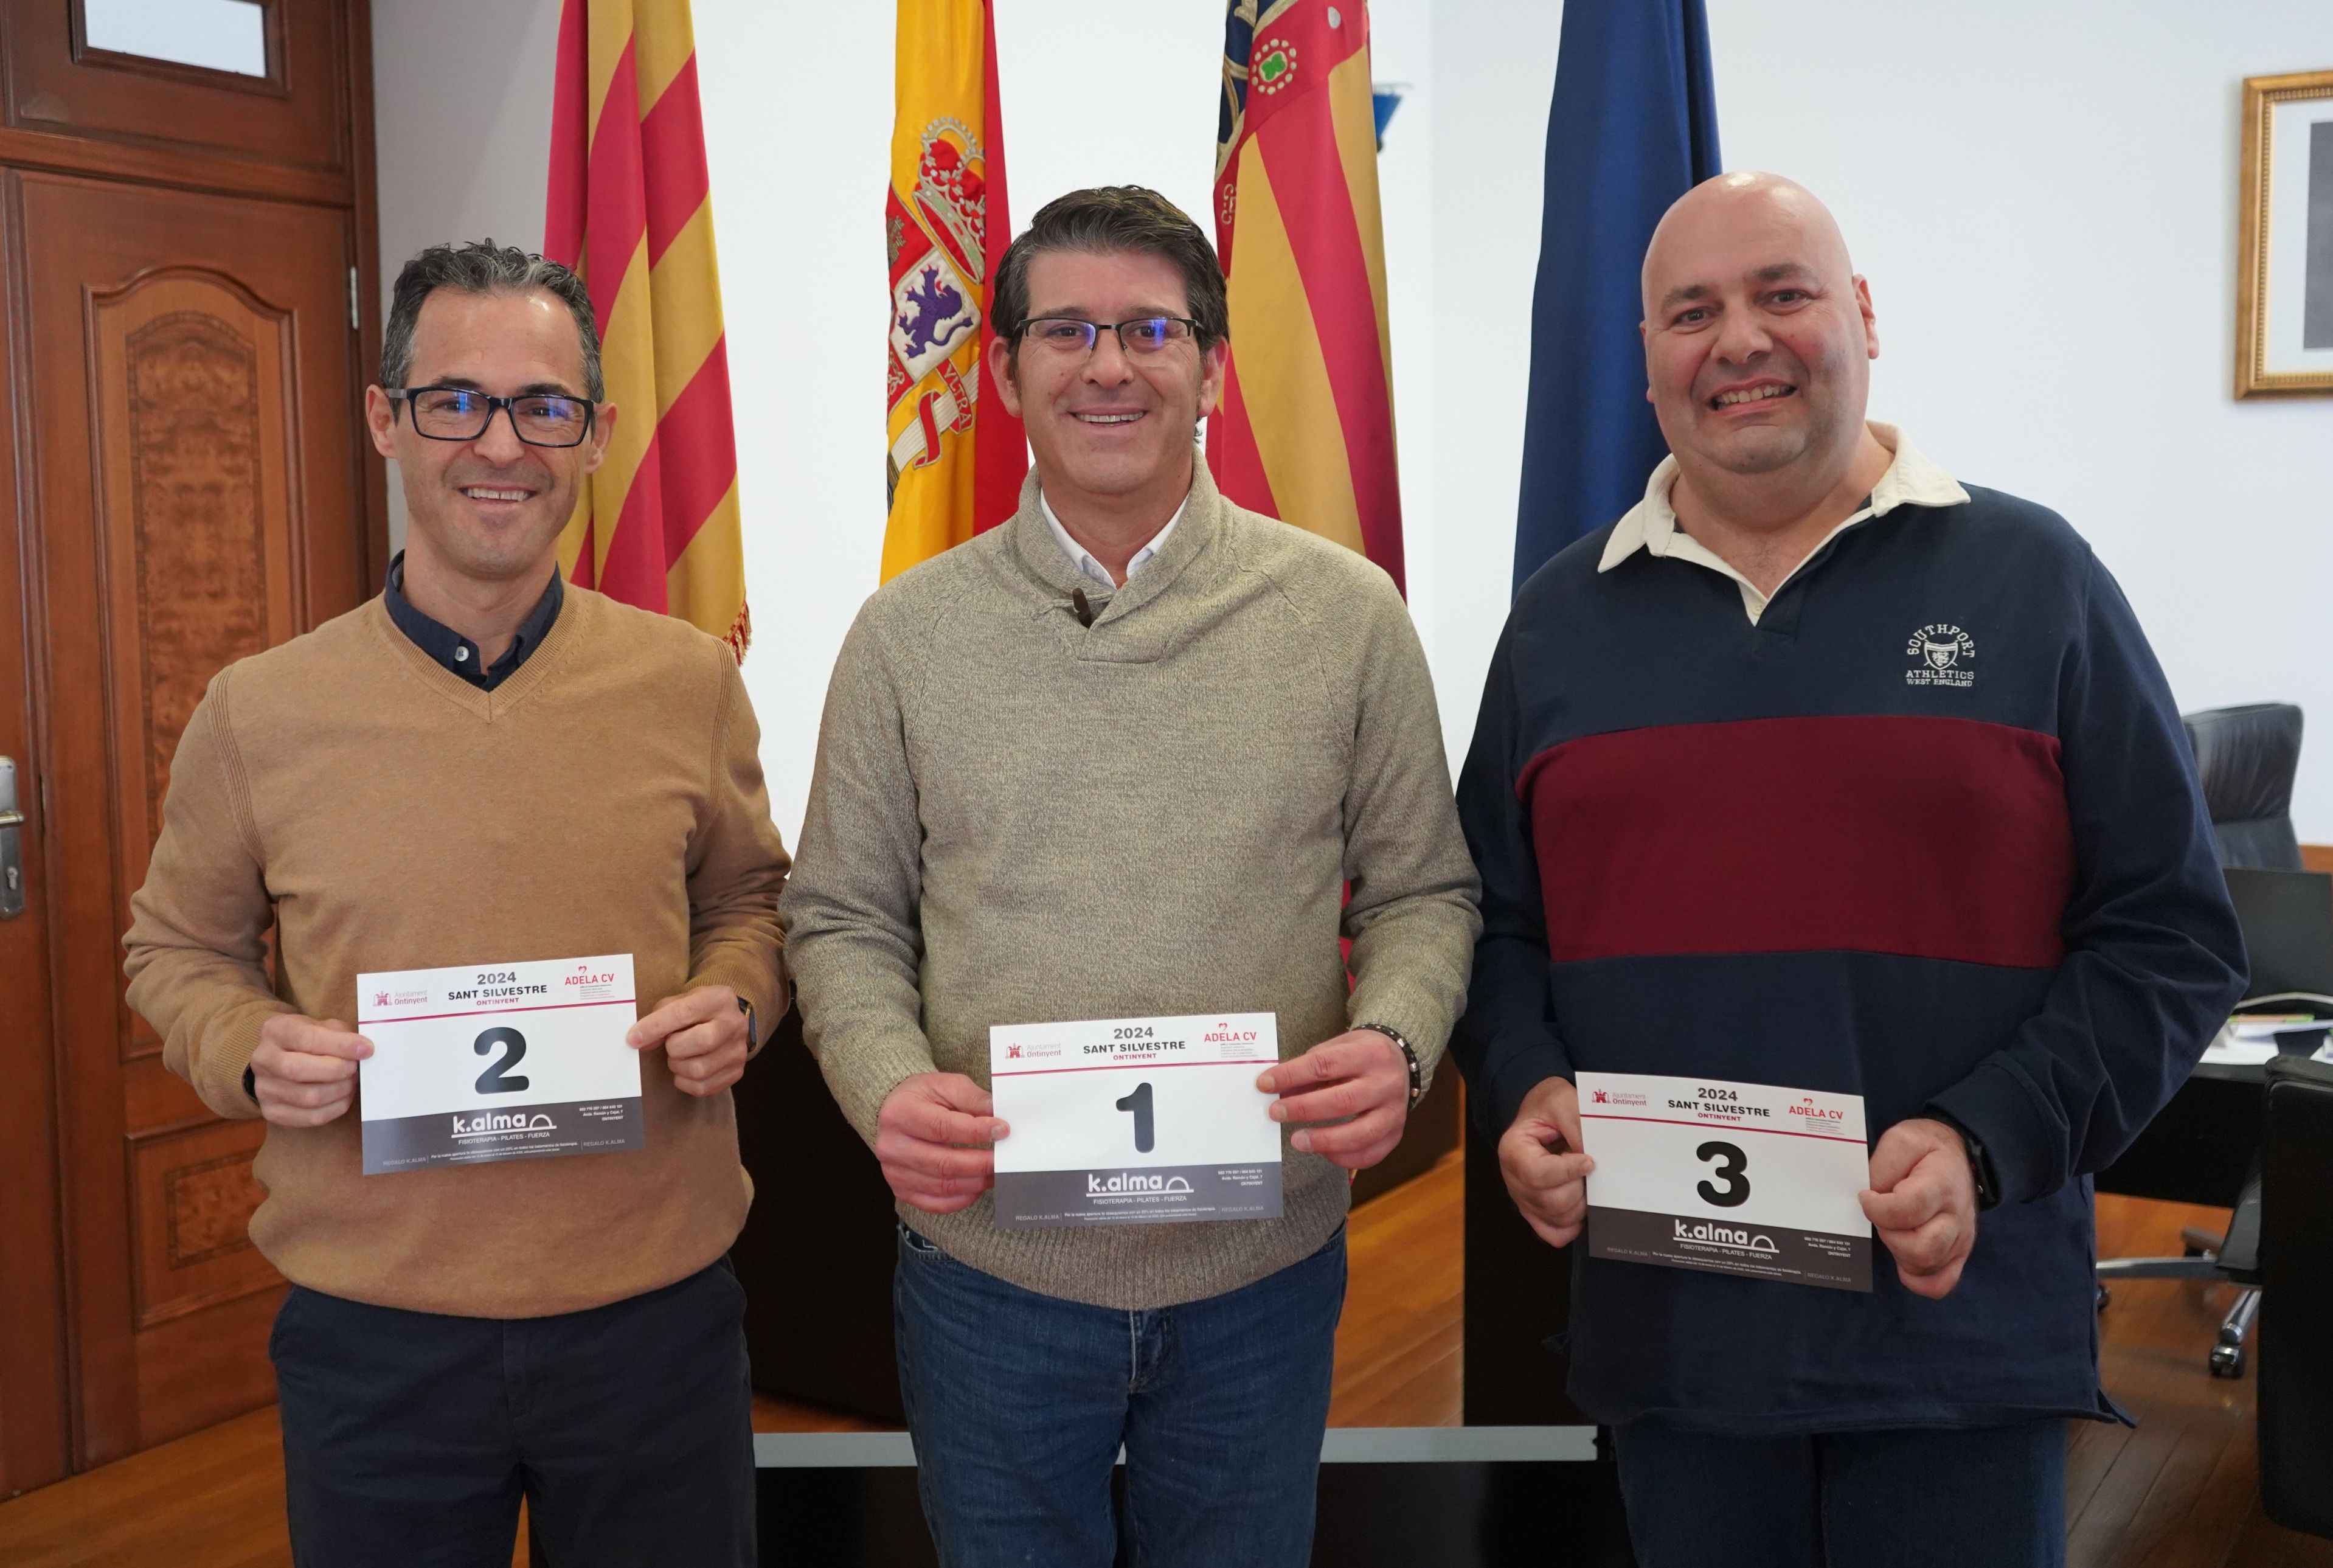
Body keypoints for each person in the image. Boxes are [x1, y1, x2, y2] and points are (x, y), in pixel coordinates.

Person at [1449, 172, 2246, 1567]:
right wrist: (1524, 1082)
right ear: (1646, 357)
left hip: (1955, 1331)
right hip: (1676, 1332)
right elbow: (1492, 924)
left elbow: (2170, 936)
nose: (1738, 340)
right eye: (1691, 312)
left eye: (1782, 293)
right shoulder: (1561, 620)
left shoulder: (2035, 577)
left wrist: (1983, 1140)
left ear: (1862, 315)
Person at [780, 185, 1479, 1568]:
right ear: (1005, 371)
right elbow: (841, 916)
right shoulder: (905, 636)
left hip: (1260, 1272)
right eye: (1068, 331)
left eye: (1151, 329)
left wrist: (1398, 1040)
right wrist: (883, 1081)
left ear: (1211, 367)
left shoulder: (1346, 615)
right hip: (992, 1275)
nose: (1108, 365)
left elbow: (1424, 894)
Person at [122, 241, 790, 1568]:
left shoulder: (687, 683)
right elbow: (175, 948)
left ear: (595, 433)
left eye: (542, 406)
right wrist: (246, 1043)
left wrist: (738, 997)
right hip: (376, 1332)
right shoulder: (260, 711)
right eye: (456, 401)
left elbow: (750, 903)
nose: (500, 444)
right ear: (387, 419)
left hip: (653, 1320)